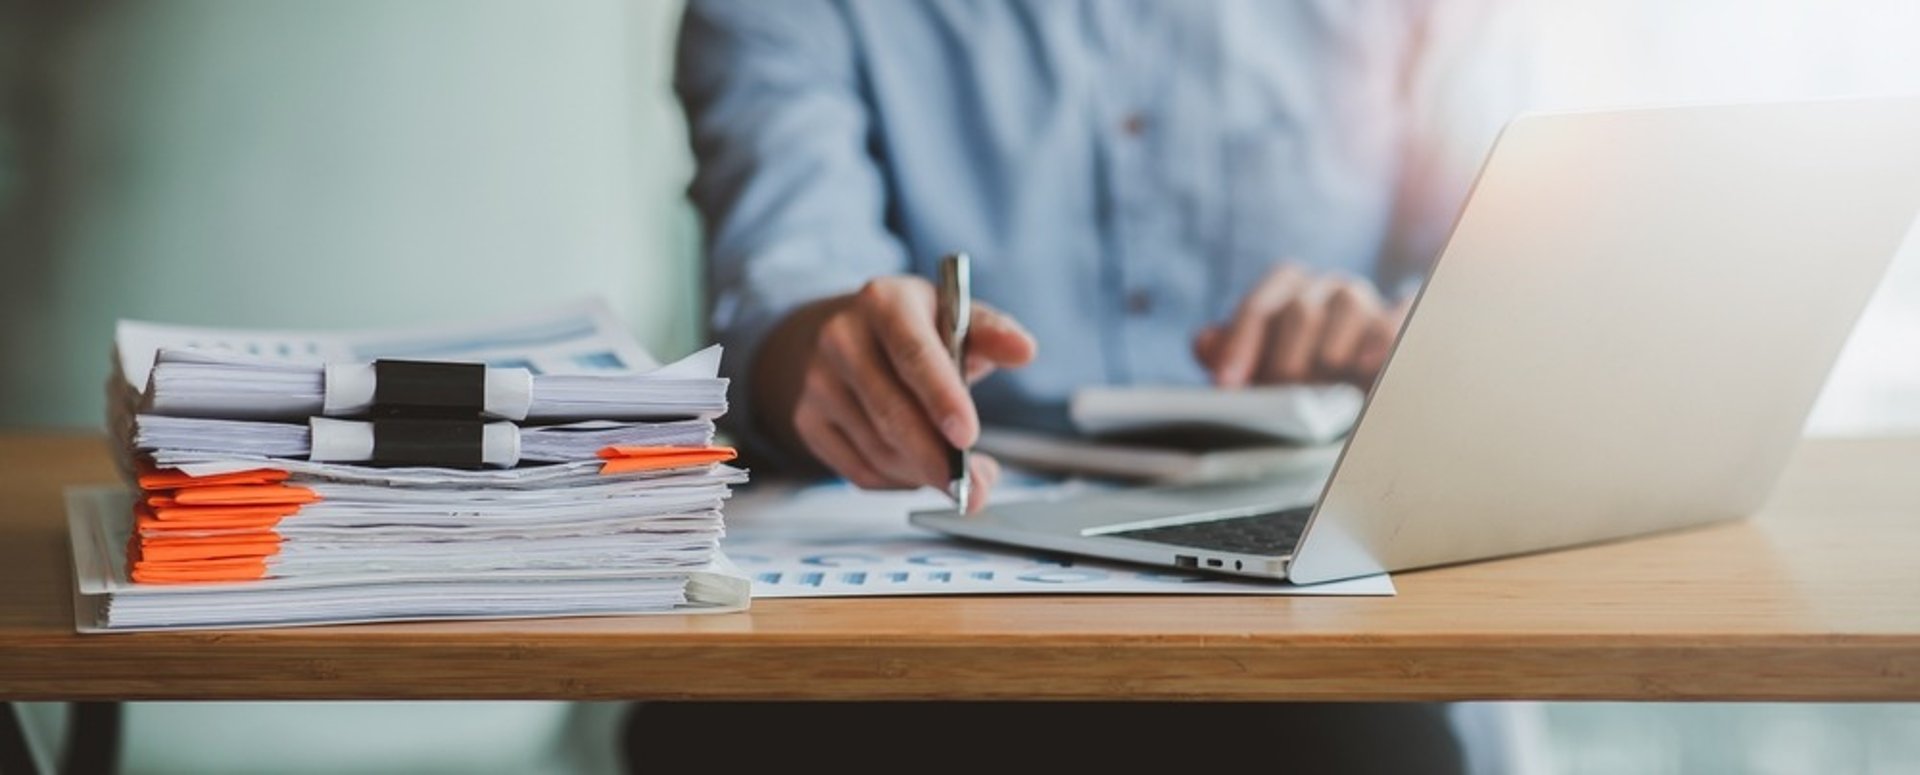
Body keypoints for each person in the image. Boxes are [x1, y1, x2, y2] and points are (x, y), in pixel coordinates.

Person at [634, 2, 1526, 773]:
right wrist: (826, 352)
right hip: (913, 616)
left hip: (1311, 620)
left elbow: (1501, 271)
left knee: (1357, 739)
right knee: (726, 727)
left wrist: (1400, 332)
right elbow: (783, 279)